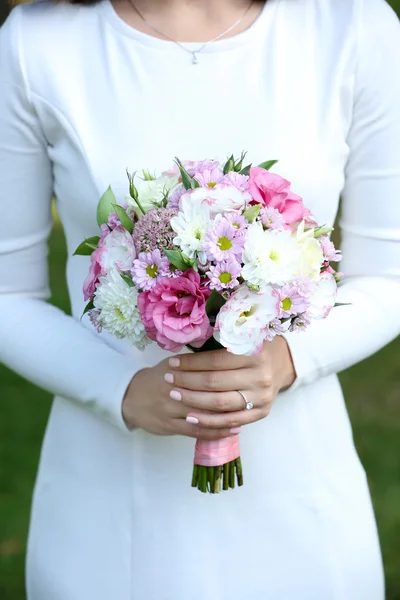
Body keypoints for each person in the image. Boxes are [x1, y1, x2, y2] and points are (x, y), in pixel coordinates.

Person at [1, 0, 399, 598]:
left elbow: (389, 276)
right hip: (107, 502)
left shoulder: (354, 26)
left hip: (301, 496)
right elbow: (7, 294)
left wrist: (286, 361)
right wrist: (122, 390)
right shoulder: (36, 45)